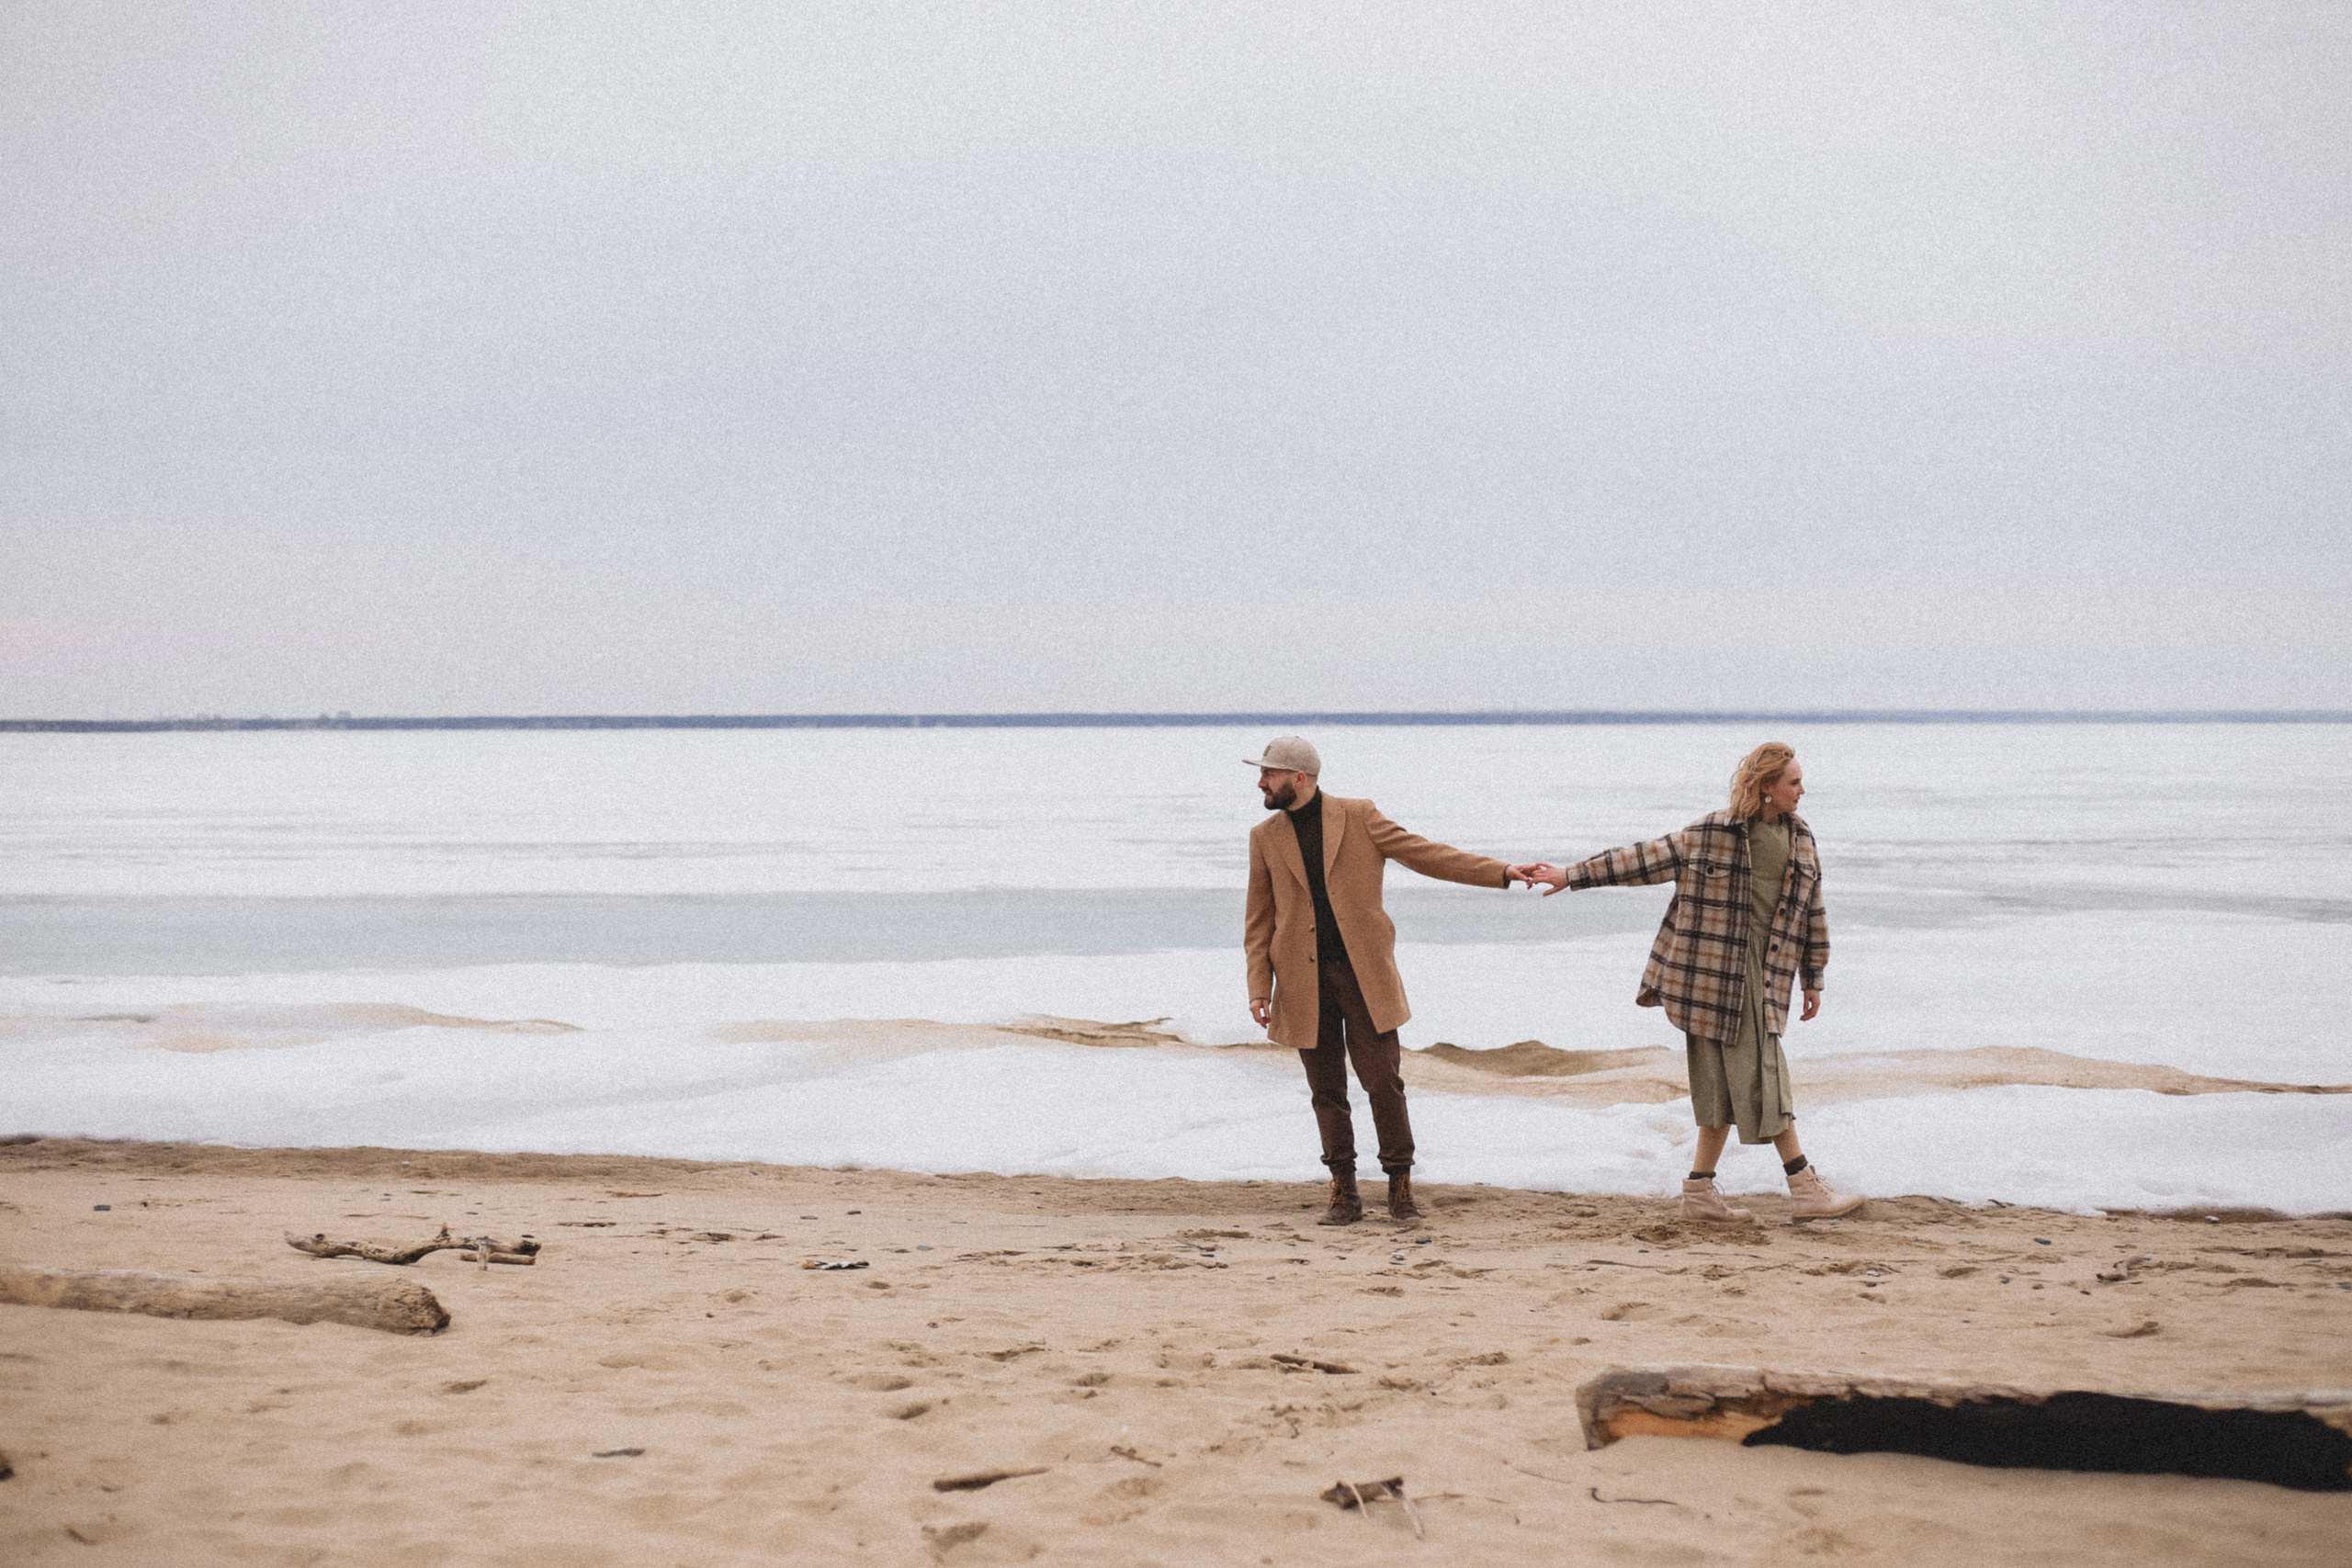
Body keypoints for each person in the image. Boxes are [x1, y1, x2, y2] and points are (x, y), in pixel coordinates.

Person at [1512, 742, 1864, 1222]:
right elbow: (1641, 860)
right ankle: (1804, 1188)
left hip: (1768, 977)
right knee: (1767, 1075)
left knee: (1721, 1086)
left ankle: (1699, 1194)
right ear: (1766, 788)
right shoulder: (1711, 834)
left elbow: (1813, 912)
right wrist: (1572, 875)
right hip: (1710, 977)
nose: (1803, 790)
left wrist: (1814, 976)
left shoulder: (1802, 838)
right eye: (1793, 782)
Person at [1244, 736, 1524, 1226]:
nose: (1260, 782)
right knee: (1325, 1090)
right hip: (1302, 980)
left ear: (1299, 778)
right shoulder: (1265, 835)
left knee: (1383, 1083)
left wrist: (1500, 872)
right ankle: (1343, 1193)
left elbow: (1426, 854)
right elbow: (1259, 920)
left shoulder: (1359, 816)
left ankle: (1400, 1187)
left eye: (1269, 774)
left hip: (1363, 974)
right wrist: (1257, 987)